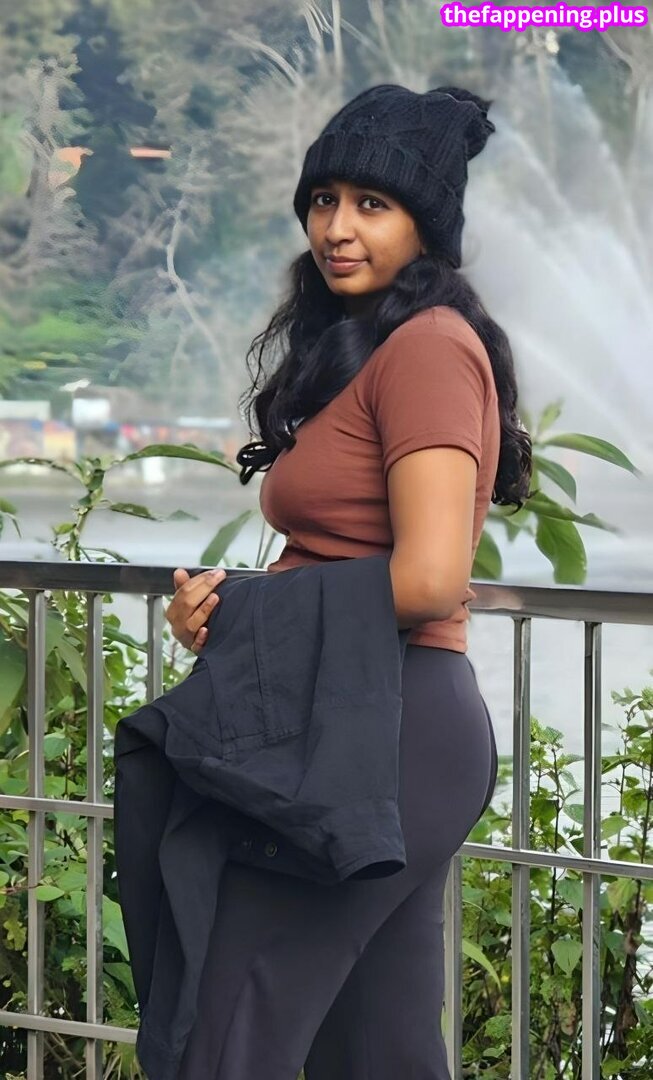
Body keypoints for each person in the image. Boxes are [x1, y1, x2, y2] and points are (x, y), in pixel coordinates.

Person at [164, 83, 533, 1080]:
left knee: (226, 1032)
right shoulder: (367, 349)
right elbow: (345, 564)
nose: (336, 227)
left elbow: (430, 579)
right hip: (356, 717)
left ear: (425, 224)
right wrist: (229, 614)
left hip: (389, 726)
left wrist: (249, 611)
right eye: (322, 200)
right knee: (376, 1052)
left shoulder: (429, 349)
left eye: (371, 204)